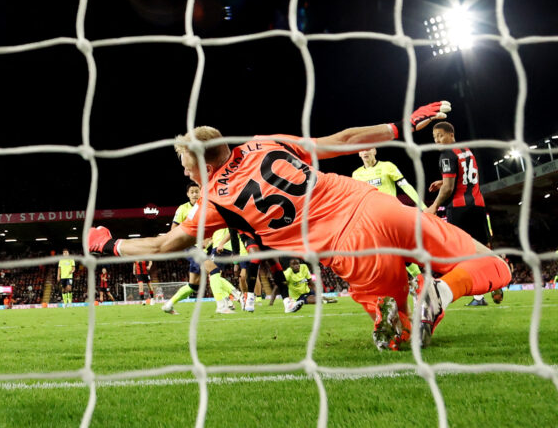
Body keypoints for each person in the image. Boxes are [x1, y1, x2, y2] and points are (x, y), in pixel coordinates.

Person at [89, 101, 512, 351]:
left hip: (352, 249)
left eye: (187, 166)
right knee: (495, 266)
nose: (186, 174)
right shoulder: (265, 143)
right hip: (376, 205)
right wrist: (398, 126)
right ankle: (441, 291)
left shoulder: (215, 198)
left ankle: (416, 305)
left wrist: (109, 245)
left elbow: (164, 245)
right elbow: (342, 141)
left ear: (203, 164)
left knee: (398, 338)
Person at [425, 122, 502, 307]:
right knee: (484, 248)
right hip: (478, 205)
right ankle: (498, 281)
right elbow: (465, 177)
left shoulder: (446, 154)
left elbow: (449, 188)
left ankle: (474, 295)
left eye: (440, 136)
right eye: (435, 138)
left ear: (451, 135)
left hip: (459, 208)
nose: (437, 141)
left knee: (462, 251)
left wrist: (434, 206)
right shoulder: (466, 151)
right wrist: (442, 181)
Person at [161, 182, 244, 315]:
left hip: (201, 249)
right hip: (188, 246)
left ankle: (168, 305)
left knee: (193, 285)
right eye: (192, 192)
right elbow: (173, 229)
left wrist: (207, 240)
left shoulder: (204, 208)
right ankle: (226, 301)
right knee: (214, 269)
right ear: (187, 194)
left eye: (197, 191)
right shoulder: (183, 209)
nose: (195, 194)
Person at [352, 147, 426, 289]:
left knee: (400, 250)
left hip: (391, 215)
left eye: (368, 149)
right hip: (372, 220)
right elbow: (356, 198)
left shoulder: (388, 166)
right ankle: (394, 287)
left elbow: (406, 186)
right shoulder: (356, 174)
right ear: (359, 153)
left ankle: (419, 280)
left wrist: (422, 206)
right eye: (362, 150)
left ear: (374, 151)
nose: (365, 152)